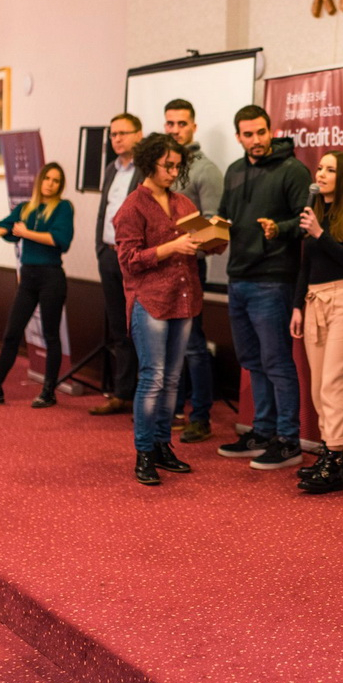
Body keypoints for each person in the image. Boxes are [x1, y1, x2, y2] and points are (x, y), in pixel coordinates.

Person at [216, 105, 311, 469]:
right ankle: (262, 431)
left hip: (273, 278)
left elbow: (306, 221)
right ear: (238, 136)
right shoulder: (234, 170)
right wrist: (210, 233)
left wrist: (278, 228)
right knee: (253, 361)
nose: (255, 140)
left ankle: (288, 441)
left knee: (276, 361)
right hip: (237, 277)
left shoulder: (292, 170)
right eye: (248, 134)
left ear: (270, 131)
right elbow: (225, 218)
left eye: (261, 132)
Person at [114, 133, 201, 486]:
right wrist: (172, 247)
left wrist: (211, 240)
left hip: (183, 296)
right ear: (150, 163)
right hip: (150, 299)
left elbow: (196, 244)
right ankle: (145, 452)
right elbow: (128, 261)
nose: (174, 172)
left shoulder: (182, 202)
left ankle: (163, 445)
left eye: (178, 166)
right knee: (153, 377)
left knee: (173, 379)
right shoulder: (132, 206)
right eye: (168, 166)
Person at [289, 151, 343, 494]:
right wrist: (297, 306)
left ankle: (334, 456)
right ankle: (331, 455)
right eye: (320, 168)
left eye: (330, 170)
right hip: (314, 301)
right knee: (318, 385)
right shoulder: (314, 213)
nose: (321, 174)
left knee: (334, 383)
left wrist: (320, 233)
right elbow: (306, 265)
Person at [0, 163, 74, 408]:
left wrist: (26, 233)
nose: (50, 184)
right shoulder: (25, 209)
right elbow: (1, 228)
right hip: (28, 277)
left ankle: (48, 392)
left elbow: (60, 240)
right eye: (47, 178)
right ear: (40, 181)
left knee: (50, 335)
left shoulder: (63, 208)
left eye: (56, 181)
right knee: (12, 333)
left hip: (51, 277)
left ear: (60, 186)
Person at [163, 99, 224, 442]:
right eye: (169, 124)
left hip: (189, 267)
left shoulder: (206, 170)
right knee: (168, 344)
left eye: (181, 124)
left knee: (193, 344)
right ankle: (172, 410)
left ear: (193, 127)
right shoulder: (160, 167)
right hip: (159, 267)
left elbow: (213, 227)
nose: (175, 130)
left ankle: (200, 416)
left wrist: (180, 238)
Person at [90, 113, 143, 416]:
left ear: (139, 134)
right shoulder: (112, 168)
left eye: (123, 133)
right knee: (118, 325)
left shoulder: (146, 169)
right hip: (109, 254)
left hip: (134, 257)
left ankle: (142, 396)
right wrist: (100, 248)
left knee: (140, 326)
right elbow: (105, 210)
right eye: (113, 134)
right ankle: (122, 394)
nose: (117, 139)